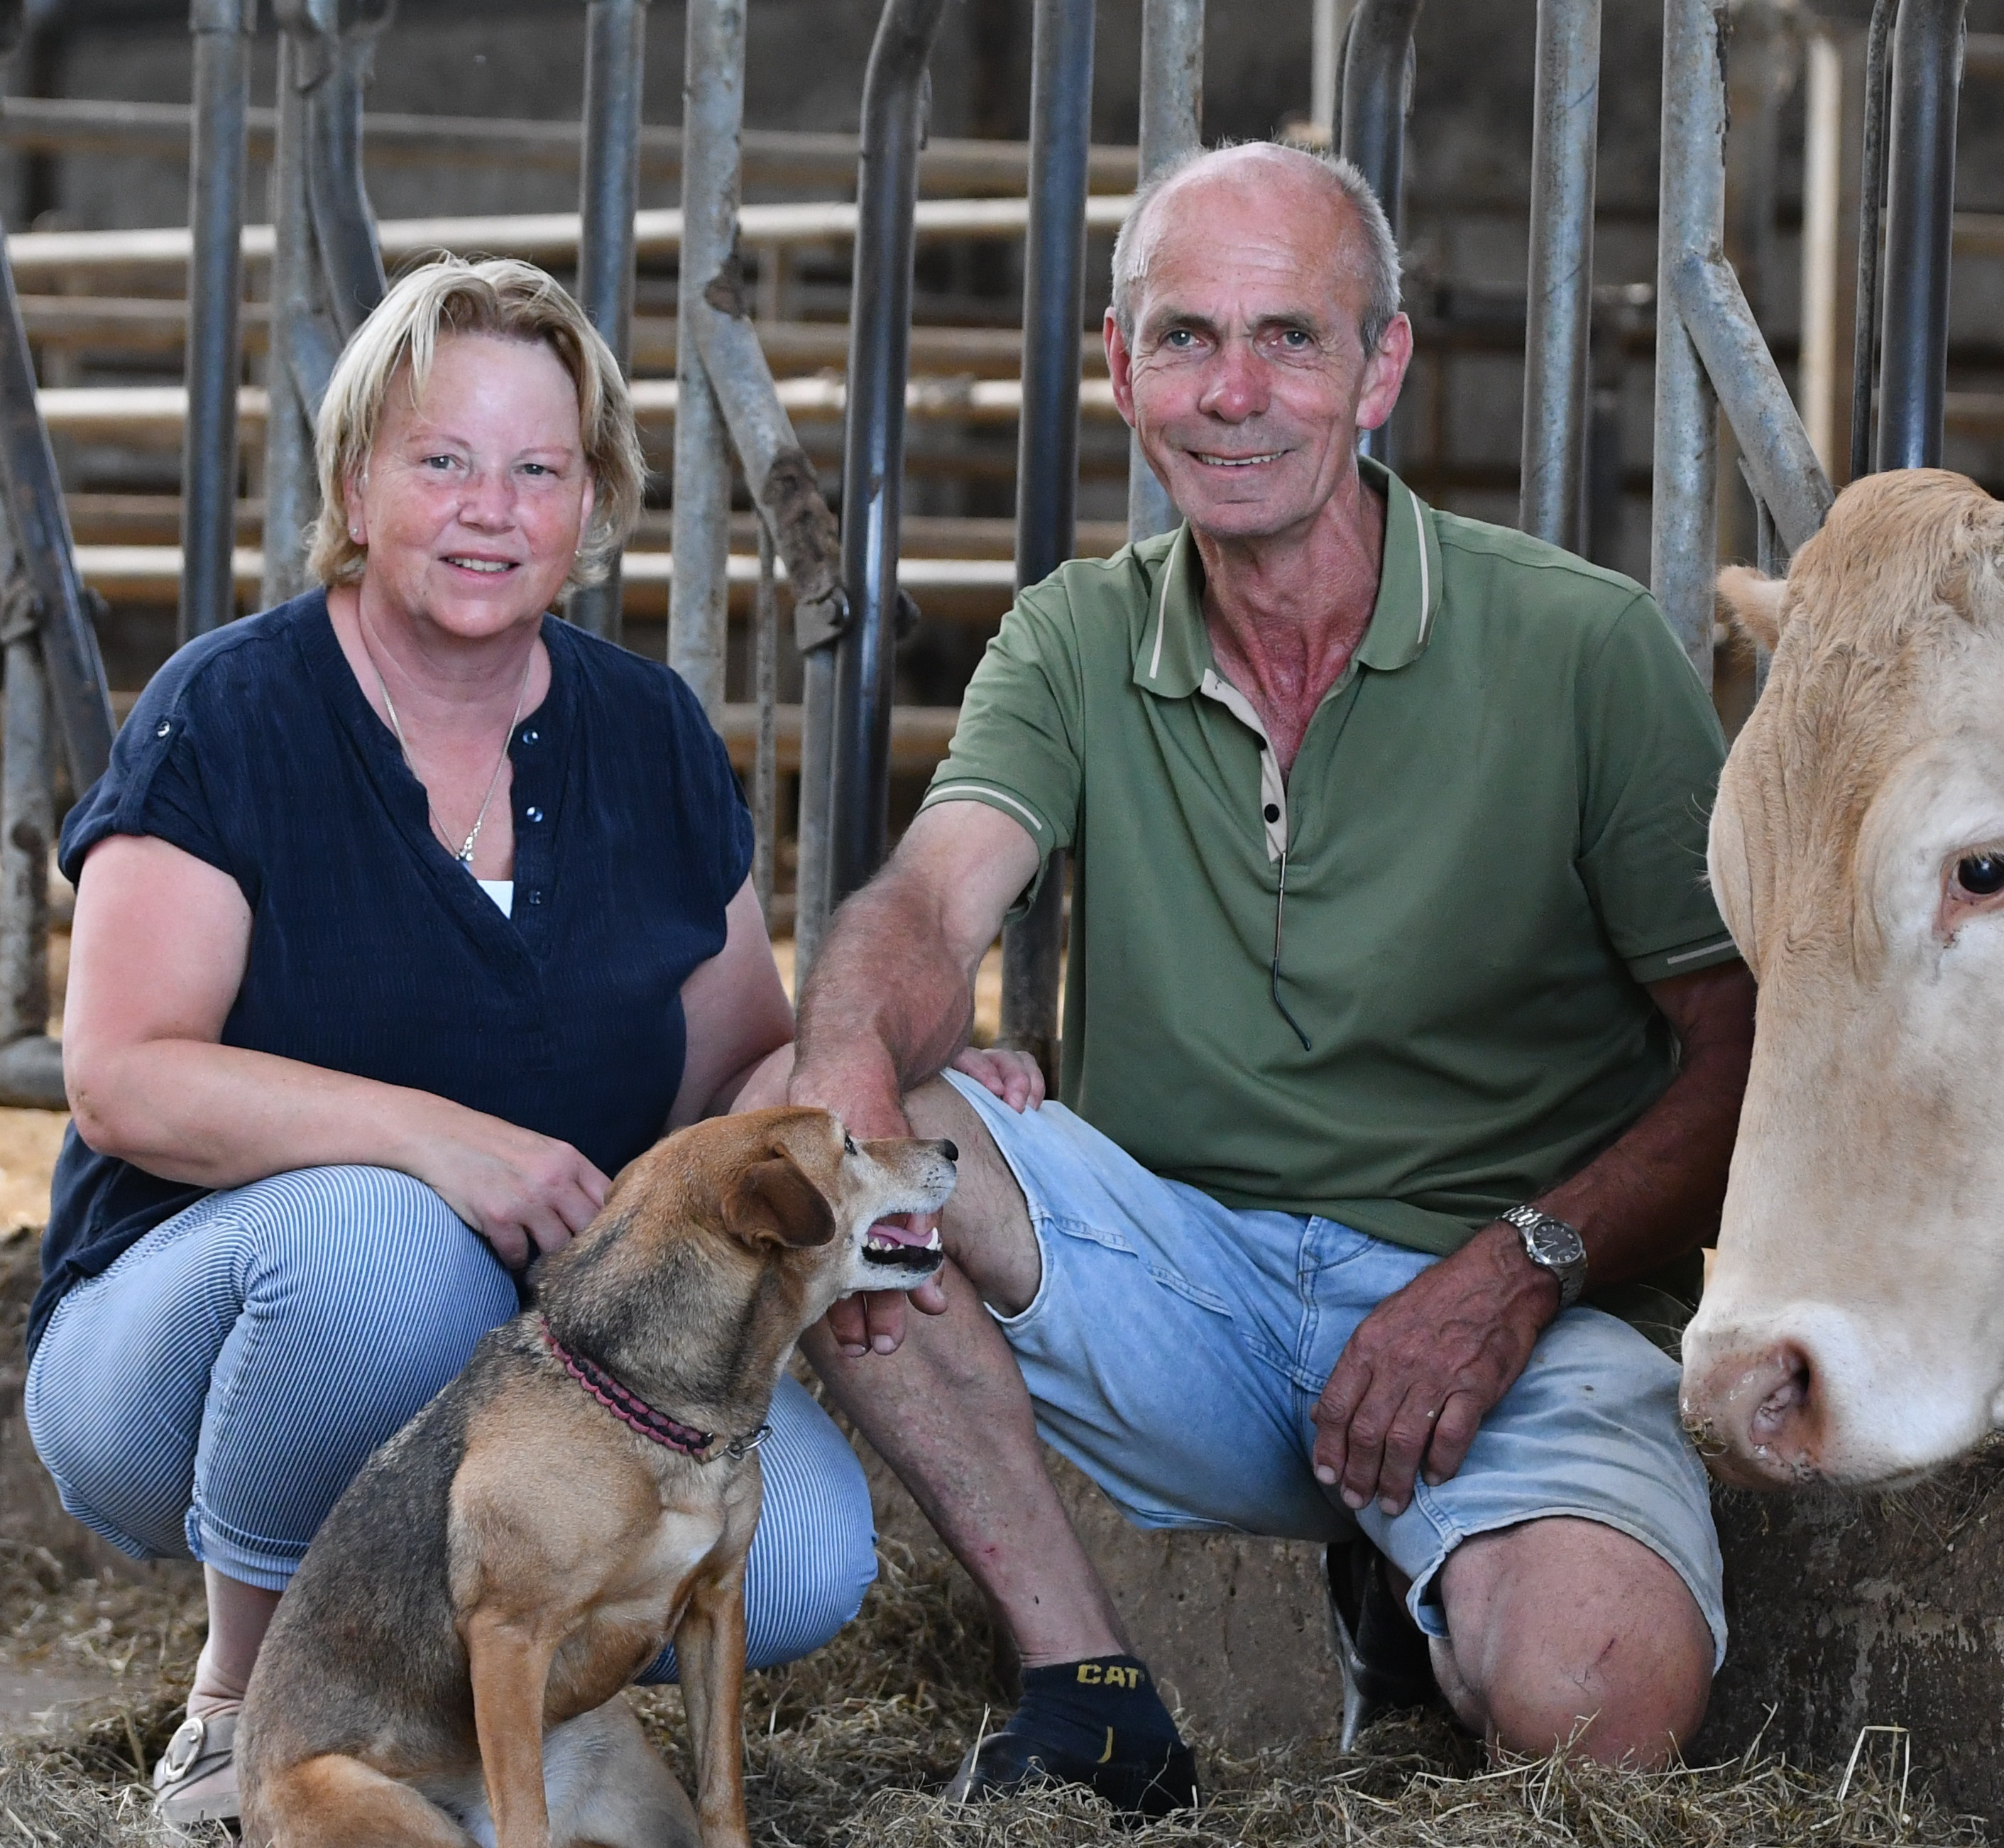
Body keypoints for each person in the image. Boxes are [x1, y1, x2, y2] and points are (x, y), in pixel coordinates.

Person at [785, 142, 1755, 1815]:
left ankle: (1418, 1588)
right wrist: (852, 1081)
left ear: (1380, 369)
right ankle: (1089, 1691)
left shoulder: (1584, 647)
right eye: (1185, 338)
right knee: (800, 1126)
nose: (1233, 394)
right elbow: (931, 909)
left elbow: (1745, 1057)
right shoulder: (1079, 636)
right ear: (1121, 368)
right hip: (1192, 1285)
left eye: (1289, 337)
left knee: (1599, 1701)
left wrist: (1520, 1268)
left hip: (1509, 1303)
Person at [20, 256, 870, 1830]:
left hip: (546, 1358)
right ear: (356, 482)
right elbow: (122, 1078)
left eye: (538, 469)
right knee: (386, 1246)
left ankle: (461, 1742)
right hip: (182, 1350)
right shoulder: (232, 712)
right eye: (442, 460)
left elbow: (734, 1077)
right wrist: (443, 1142)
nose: (491, 509)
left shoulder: (648, 734)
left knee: (811, 1556)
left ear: (593, 500)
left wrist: (883, 1064)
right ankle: (247, 1710)